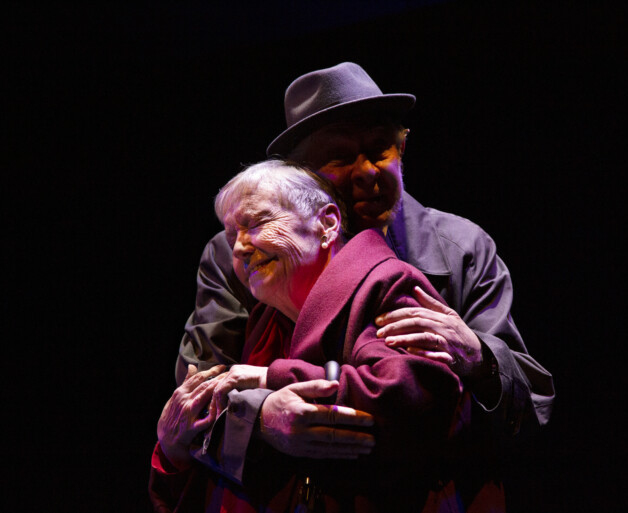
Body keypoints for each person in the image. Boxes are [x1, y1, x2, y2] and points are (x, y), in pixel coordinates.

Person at [163, 62, 554, 503]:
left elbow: (530, 402)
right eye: (340, 157)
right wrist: (262, 417)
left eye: (380, 149)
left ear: (402, 147)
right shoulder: (244, 254)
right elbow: (198, 390)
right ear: (300, 174)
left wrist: (479, 356)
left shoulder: (459, 247)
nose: (367, 171)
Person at [152, 160, 475, 511]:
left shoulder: (385, 284)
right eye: (232, 237)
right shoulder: (265, 320)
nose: (240, 247)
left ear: (327, 224)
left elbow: (408, 396)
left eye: (256, 224)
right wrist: (173, 447)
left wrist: (270, 377)